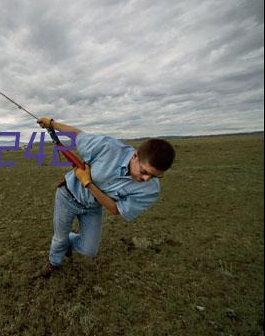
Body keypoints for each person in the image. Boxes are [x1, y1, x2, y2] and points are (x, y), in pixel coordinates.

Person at [36, 118, 176, 279]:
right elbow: (77, 135)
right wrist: (52, 124)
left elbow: (115, 209)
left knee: (89, 250)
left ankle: (68, 241)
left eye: (155, 176)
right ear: (135, 156)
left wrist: (88, 183)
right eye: (144, 172)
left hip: (93, 207)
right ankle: (54, 262)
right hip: (67, 196)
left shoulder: (151, 190)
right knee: (59, 239)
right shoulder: (107, 147)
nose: (146, 179)